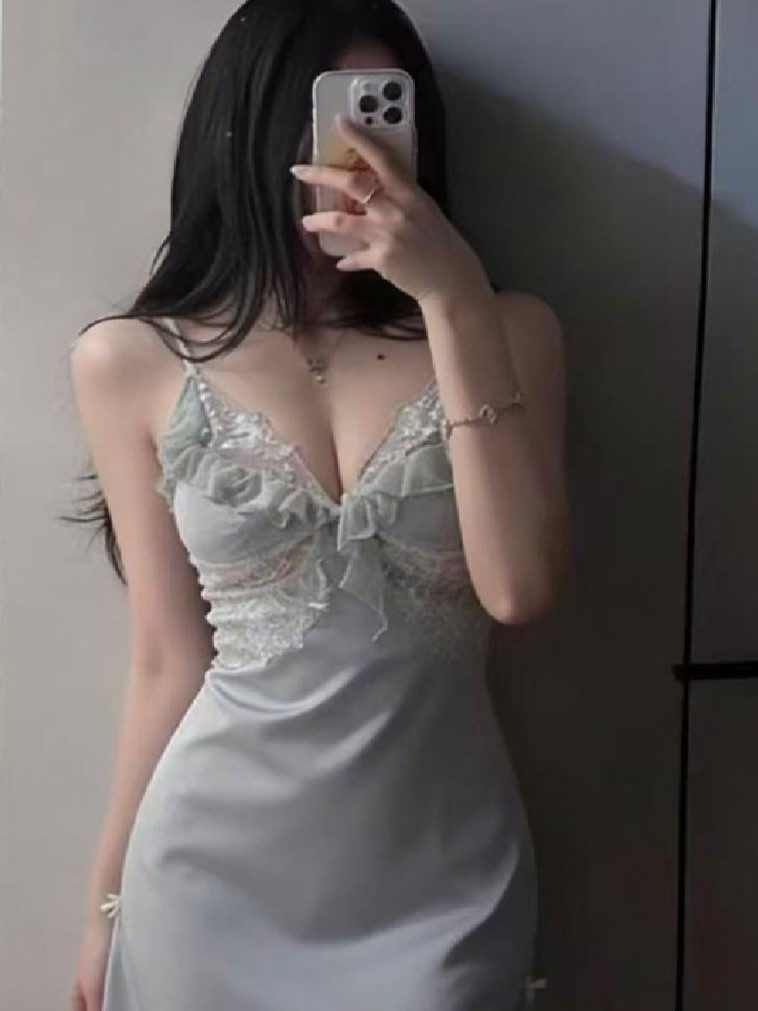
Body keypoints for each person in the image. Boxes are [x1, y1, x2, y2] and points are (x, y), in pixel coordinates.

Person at [67, 1, 568, 1009]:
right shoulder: (132, 360)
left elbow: (517, 590)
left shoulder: (510, 331)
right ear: (248, 132)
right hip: (206, 882)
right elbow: (167, 657)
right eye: (328, 121)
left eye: (383, 116)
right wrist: (105, 899)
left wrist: (452, 296)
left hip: (440, 882)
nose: (356, 160)